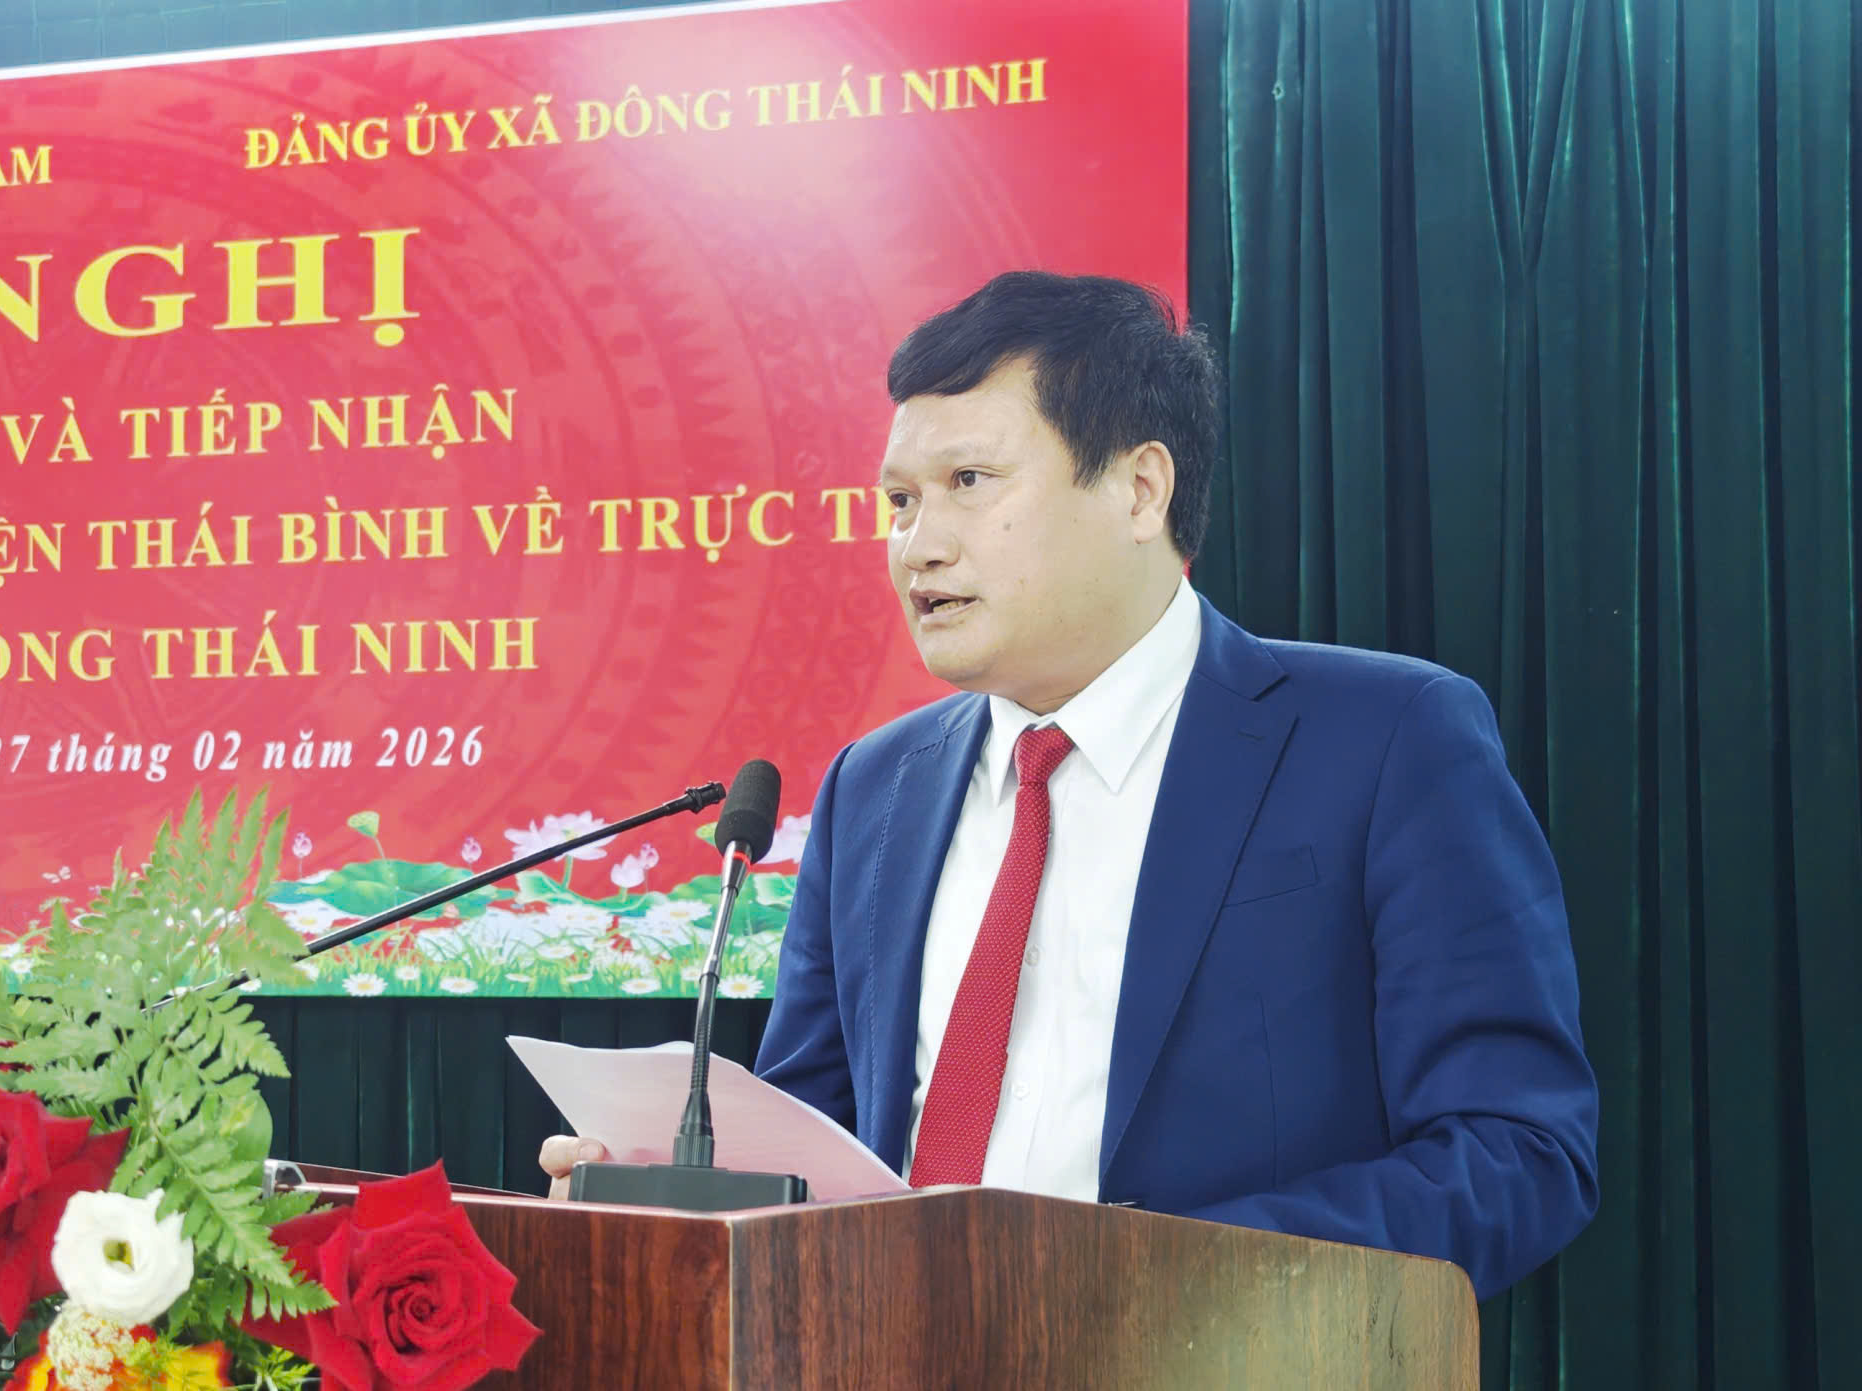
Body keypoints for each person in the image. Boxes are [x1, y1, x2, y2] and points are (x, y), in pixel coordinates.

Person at [540, 271, 1598, 1300]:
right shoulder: (873, 788)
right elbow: (813, 1152)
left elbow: (1518, 1151)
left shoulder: (1385, 739)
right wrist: (666, 1190)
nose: (918, 545)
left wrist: (1138, 1279)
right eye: (900, 501)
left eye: (969, 482)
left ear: (1140, 489)